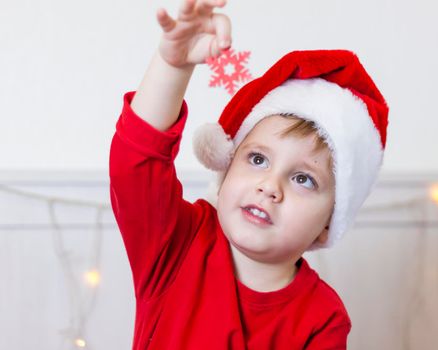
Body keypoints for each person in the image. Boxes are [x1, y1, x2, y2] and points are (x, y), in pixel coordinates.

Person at [109, 0, 389, 348]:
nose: (270, 187)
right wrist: (173, 65)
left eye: (303, 179)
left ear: (329, 223)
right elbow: (135, 162)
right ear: (225, 171)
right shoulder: (177, 244)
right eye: (257, 159)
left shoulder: (323, 320)